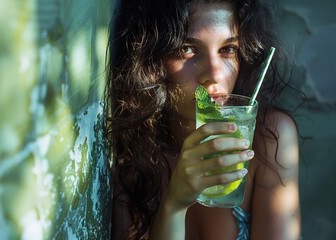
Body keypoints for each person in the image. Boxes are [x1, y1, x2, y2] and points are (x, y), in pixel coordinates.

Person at [105, 0, 301, 239]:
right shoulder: (136, 155)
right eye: (188, 49)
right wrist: (174, 205)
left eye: (227, 49)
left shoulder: (269, 138)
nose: (215, 74)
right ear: (152, 61)